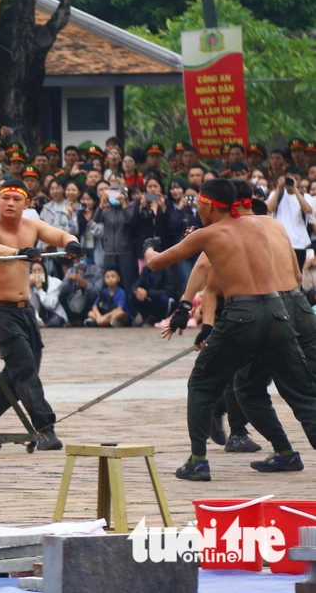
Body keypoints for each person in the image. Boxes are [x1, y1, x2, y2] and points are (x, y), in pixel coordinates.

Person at [144, 178, 316, 481]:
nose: (196, 209)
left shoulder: (208, 235)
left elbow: (157, 263)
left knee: (201, 384)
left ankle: (197, 461)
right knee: (301, 391)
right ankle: (286, 452)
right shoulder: (260, 226)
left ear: (208, 204)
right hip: (277, 311)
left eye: (197, 203)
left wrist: (147, 248)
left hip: (242, 316)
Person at [0, 179, 84, 450]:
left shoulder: (32, 226)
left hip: (24, 311)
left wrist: (72, 243)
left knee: (22, 369)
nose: (10, 203)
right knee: (24, 367)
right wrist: (19, 252)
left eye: (16, 199)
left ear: (27, 204)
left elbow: (58, 235)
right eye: (5, 198)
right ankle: (45, 428)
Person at [268, 170, 312, 269]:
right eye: (290, 178)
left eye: (296, 179)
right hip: (280, 242)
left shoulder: (306, 196)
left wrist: (295, 189)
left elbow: (307, 209)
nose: (292, 181)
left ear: (300, 181)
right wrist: (279, 188)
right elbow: (270, 209)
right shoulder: (276, 194)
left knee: (299, 274)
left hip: (300, 243)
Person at [28, 262, 66, 327]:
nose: (37, 273)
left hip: (55, 313)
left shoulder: (55, 283)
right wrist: (28, 286)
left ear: (44, 271)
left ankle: (43, 325)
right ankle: (36, 318)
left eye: (39, 270)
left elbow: (51, 305)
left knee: (55, 321)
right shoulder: (31, 285)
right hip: (41, 314)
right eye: (34, 271)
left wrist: (39, 290)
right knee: (33, 295)